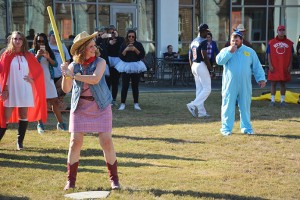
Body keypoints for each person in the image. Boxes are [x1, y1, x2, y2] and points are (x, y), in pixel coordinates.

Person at [60, 31, 120, 190]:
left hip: (101, 106)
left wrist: (74, 76)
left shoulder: (101, 62)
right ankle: (70, 181)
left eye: (94, 45)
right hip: (80, 107)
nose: (95, 48)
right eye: (91, 46)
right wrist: (66, 75)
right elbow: (66, 90)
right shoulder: (73, 66)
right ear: (82, 49)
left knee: (106, 141)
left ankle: (114, 180)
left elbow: (95, 78)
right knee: (75, 143)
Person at [0, 31, 47, 149]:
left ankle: (19, 142)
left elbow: (38, 70)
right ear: (12, 40)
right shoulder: (6, 55)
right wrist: (4, 89)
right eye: (15, 39)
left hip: (25, 87)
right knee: (5, 117)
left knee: (23, 114)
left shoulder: (28, 55)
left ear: (23, 41)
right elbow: (2, 74)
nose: (18, 41)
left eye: (20, 39)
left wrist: (32, 79)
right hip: (11, 88)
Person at [216, 30, 266, 136]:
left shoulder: (249, 52)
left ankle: (247, 128)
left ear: (241, 41)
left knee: (245, 106)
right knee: (228, 106)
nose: (234, 42)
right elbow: (219, 61)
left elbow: (256, 66)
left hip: (245, 85)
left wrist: (261, 78)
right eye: (232, 40)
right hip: (230, 84)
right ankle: (226, 129)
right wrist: (229, 52)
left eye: (236, 40)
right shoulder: (226, 51)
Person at [29, 33, 67, 133]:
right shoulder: (31, 52)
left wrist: (48, 57)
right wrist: (37, 57)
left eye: (43, 41)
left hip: (48, 79)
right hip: (37, 81)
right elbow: (29, 65)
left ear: (46, 41)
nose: (40, 43)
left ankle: (60, 123)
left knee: (54, 101)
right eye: (38, 41)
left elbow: (55, 64)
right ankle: (40, 124)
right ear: (35, 42)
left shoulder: (48, 51)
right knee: (40, 103)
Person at [115, 29, 146, 110]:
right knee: (124, 85)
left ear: (135, 37)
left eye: (133, 36)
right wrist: (126, 49)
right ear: (127, 37)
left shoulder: (138, 44)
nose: (131, 38)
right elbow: (121, 56)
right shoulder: (124, 44)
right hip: (126, 66)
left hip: (136, 66)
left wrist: (135, 49)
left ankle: (136, 103)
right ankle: (122, 104)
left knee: (135, 86)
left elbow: (142, 55)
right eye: (129, 36)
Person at [186, 23, 213, 118]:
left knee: (199, 89)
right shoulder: (203, 41)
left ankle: (201, 113)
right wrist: (211, 69)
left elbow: (189, 56)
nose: (207, 33)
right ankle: (192, 105)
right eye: (206, 31)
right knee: (207, 89)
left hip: (194, 65)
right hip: (201, 65)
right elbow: (204, 56)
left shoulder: (193, 41)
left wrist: (192, 68)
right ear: (202, 31)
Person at [267, 25, 294, 107]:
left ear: (284, 31)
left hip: (284, 66)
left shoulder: (289, 43)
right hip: (274, 66)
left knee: (283, 83)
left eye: (283, 30)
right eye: (280, 30)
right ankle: (272, 100)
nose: (281, 31)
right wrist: (270, 65)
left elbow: (291, 55)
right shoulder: (271, 42)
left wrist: (290, 65)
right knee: (273, 83)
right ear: (277, 31)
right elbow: (268, 54)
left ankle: (282, 101)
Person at [48, 30, 71, 111]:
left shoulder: (62, 46)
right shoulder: (47, 46)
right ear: (49, 36)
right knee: (50, 91)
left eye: (57, 36)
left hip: (60, 73)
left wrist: (65, 70)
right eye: (53, 36)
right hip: (49, 74)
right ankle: (50, 105)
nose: (55, 38)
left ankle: (59, 104)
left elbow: (67, 59)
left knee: (61, 90)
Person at [106, 25, 124, 106]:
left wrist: (117, 37)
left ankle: (113, 99)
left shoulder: (120, 39)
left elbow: (123, 45)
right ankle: (107, 99)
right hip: (108, 61)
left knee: (115, 82)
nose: (112, 33)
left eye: (113, 31)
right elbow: (104, 49)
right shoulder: (106, 39)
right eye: (110, 32)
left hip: (117, 61)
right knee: (107, 82)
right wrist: (109, 43)